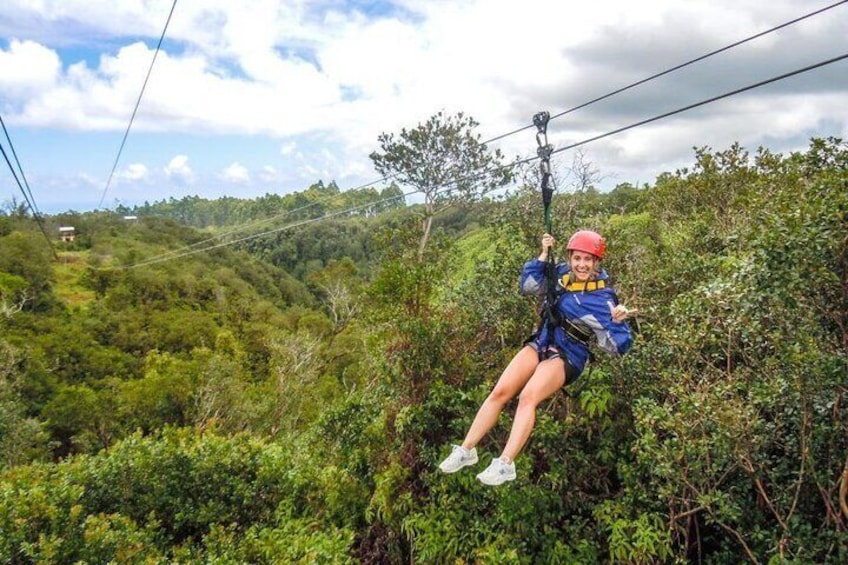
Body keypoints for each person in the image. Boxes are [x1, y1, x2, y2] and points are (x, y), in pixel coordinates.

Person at [437, 229, 637, 486]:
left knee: (528, 397)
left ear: (597, 263)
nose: (582, 265)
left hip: (569, 354)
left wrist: (618, 322)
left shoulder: (602, 298)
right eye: (577, 258)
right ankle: (466, 450)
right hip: (543, 341)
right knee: (501, 391)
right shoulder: (561, 274)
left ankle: (506, 464)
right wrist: (543, 255)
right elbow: (529, 286)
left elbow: (618, 347)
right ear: (570, 257)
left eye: (588, 260)